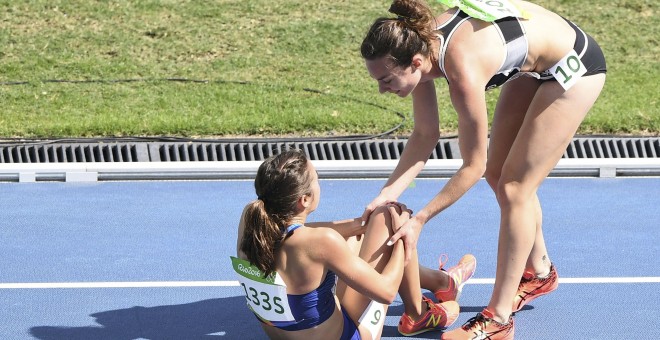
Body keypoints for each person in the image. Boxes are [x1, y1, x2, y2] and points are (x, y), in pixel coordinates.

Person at [360, 0, 606, 339]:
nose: (382, 89)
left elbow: (473, 166)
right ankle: (538, 272)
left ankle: (498, 319)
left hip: (576, 67)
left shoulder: (461, 68)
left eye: (386, 79)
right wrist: (386, 195)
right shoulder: (418, 47)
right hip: (532, 67)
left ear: (416, 63)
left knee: (514, 188)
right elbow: (424, 134)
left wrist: (419, 220)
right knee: (499, 174)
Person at [234, 149, 475, 339]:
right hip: (351, 336)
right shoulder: (320, 242)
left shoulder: (251, 219)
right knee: (387, 215)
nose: (319, 184)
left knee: (354, 237)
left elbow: (301, 234)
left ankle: (441, 284)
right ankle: (418, 314)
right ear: (304, 199)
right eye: (316, 180)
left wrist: (352, 225)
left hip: (287, 336)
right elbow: (386, 292)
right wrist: (404, 236)